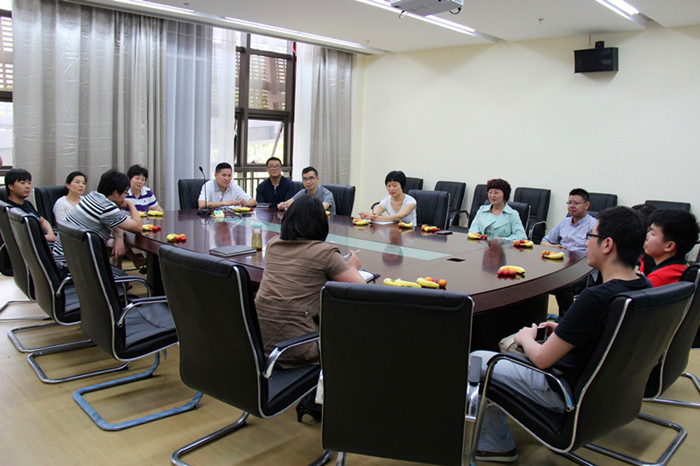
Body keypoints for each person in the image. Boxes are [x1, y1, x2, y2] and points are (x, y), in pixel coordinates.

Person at [471, 206, 651, 463]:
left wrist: (525, 339)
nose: (586, 243)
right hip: (607, 394)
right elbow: (608, 334)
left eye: (591, 236)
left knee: (477, 359)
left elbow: (542, 359)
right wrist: (566, 331)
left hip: (560, 389)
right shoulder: (642, 286)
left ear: (607, 245)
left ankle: (495, 446)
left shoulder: (594, 298)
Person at [52, 169, 143, 267]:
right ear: (116, 193)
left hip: (64, 258)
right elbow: (138, 227)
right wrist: (130, 204)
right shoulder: (105, 207)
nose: (125, 197)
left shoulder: (92, 196)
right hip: (72, 265)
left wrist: (119, 238)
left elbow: (116, 221)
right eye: (125, 193)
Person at [541, 188, 598, 315]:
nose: (571, 206)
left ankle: (565, 318)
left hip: (583, 271)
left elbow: (596, 252)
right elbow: (544, 241)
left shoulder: (593, 225)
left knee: (562, 284)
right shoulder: (564, 222)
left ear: (587, 205)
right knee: (537, 278)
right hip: (561, 266)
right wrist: (553, 246)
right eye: (569, 203)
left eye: (576, 203)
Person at [641, 209, 699, 287]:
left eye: (653, 233)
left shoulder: (658, 278)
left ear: (669, 246)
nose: (647, 236)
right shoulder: (683, 267)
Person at [3, 168, 56, 242]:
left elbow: (42, 221)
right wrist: (45, 238)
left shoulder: (27, 203)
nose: (28, 186)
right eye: (22, 183)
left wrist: (50, 233)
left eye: (29, 183)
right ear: (11, 186)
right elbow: (19, 236)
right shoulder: (8, 209)